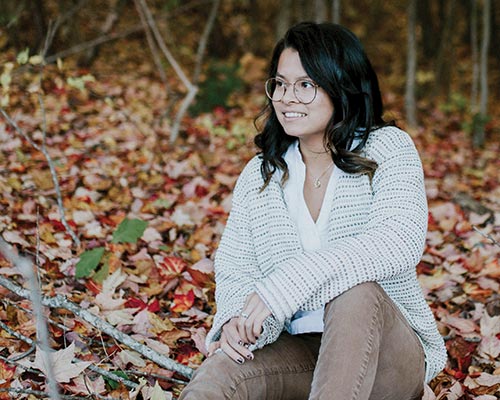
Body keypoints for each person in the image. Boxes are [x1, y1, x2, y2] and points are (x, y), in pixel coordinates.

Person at [180, 22, 447, 400]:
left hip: (389, 356)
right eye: (280, 84)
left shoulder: (388, 149)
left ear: (341, 85)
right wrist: (236, 319)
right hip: (304, 351)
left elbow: (397, 242)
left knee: (355, 292)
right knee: (221, 372)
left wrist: (285, 285)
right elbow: (236, 266)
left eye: (306, 85)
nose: (288, 98)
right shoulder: (261, 174)